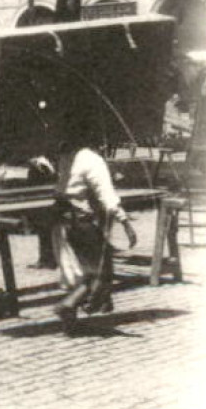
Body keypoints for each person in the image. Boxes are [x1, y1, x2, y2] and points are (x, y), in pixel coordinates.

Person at [49, 139, 139, 325]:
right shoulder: (93, 160)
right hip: (80, 222)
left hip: (60, 221)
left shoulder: (67, 155)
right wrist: (125, 222)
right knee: (100, 271)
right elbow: (106, 194)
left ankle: (72, 320)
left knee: (74, 273)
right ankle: (69, 304)